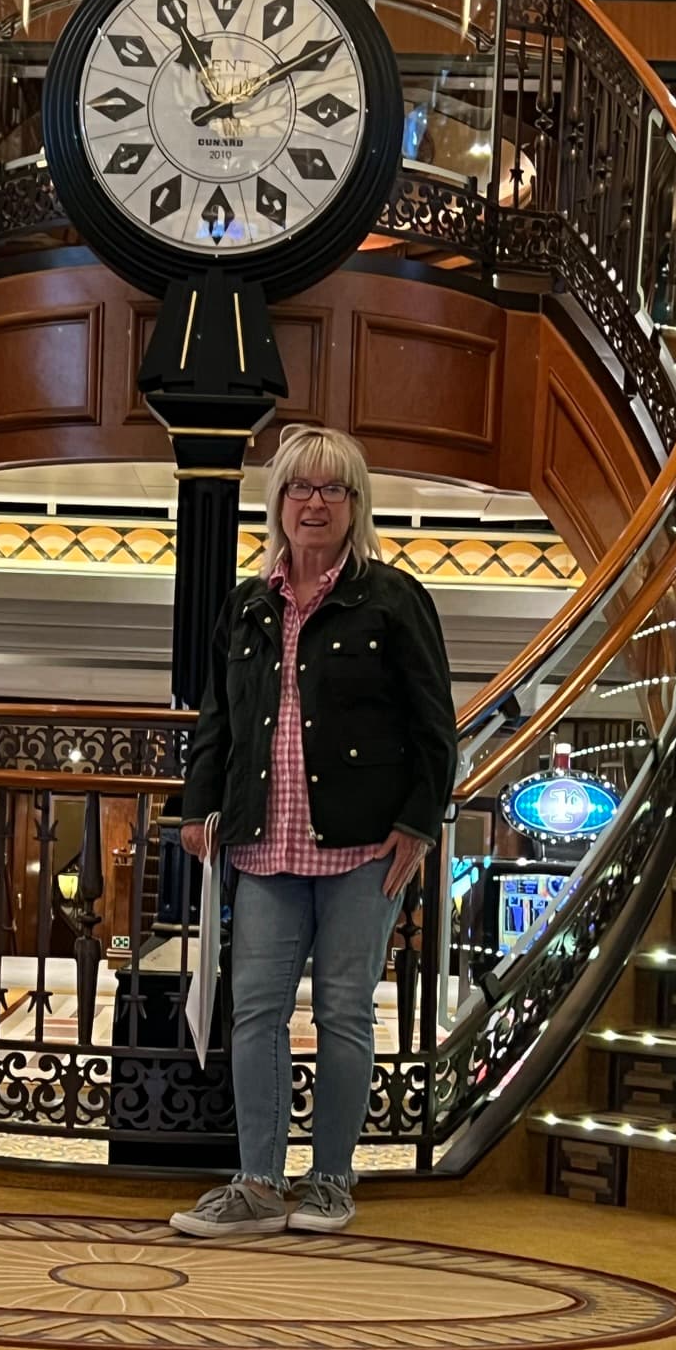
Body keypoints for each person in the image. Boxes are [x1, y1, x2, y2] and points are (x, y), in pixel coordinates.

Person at [169, 424, 458, 1239]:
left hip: (365, 846)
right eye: (300, 488)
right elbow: (216, 721)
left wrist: (419, 822)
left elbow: (436, 726)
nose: (315, 503)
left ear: (356, 506)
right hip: (264, 844)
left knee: (344, 1012)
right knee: (254, 1012)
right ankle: (257, 1185)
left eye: (333, 489)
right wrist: (198, 809)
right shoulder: (246, 603)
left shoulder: (394, 599)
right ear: (278, 503)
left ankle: (330, 1180)